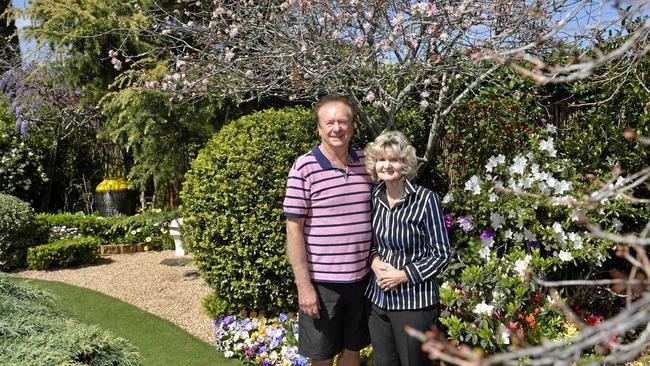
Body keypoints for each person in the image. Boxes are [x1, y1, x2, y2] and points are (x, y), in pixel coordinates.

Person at [283, 94, 374, 366]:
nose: (337, 128)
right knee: (321, 358)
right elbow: (294, 230)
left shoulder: (367, 164)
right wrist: (304, 286)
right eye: (330, 122)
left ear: (353, 126)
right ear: (319, 129)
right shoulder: (304, 167)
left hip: (361, 281)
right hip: (323, 286)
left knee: (352, 351)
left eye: (343, 121)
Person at [364, 130, 451, 366]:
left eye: (393, 160)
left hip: (415, 304)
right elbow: (371, 244)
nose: (387, 165)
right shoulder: (375, 197)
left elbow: (442, 255)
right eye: (382, 160)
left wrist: (403, 276)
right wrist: (374, 261)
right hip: (379, 302)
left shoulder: (426, 200)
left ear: (405, 163)